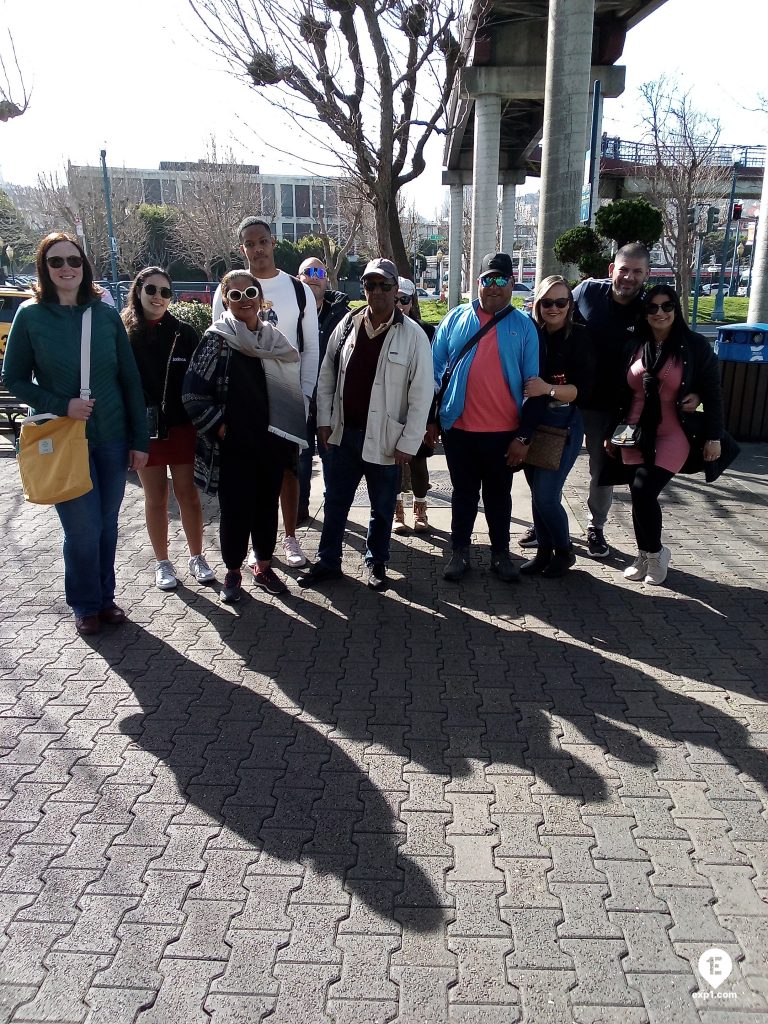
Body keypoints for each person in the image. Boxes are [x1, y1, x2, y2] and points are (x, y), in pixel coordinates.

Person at [2, 232, 149, 636]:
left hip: (112, 435)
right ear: (43, 268)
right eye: (56, 262)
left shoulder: (104, 315)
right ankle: (84, 603)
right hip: (63, 437)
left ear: (84, 267)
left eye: (74, 261)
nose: (66, 268)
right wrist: (60, 403)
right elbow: (12, 377)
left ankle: (105, 598)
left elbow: (129, 378)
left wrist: (140, 439)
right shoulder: (30, 316)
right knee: (82, 529)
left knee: (107, 523)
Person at [298, 258, 433, 591]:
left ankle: (377, 562)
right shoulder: (347, 324)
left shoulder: (413, 335)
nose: (378, 292)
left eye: (385, 286)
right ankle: (328, 562)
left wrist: (409, 442)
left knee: (382, 506)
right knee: (336, 504)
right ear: (364, 289)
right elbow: (327, 375)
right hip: (344, 436)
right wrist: (325, 422)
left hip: (387, 440)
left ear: (395, 289)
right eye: (370, 285)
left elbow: (421, 394)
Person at [183, 271, 306, 603]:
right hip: (233, 446)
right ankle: (233, 572)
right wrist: (222, 428)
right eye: (234, 296)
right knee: (236, 511)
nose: (244, 300)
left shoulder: (274, 339)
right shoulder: (216, 339)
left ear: (260, 296)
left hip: (271, 442)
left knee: (266, 507)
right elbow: (193, 394)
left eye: (249, 292)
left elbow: (290, 386)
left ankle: (264, 566)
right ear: (225, 301)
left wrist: (288, 432)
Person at [212, 218, 319, 569]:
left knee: (289, 471)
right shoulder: (229, 287)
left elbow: (311, 348)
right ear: (242, 248)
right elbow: (218, 342)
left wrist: (303, 396)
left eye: (262, 241)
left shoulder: (297, 288)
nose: (257, 249)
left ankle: (289, 537)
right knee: (247, 476)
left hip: (286, 395)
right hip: (244, 401)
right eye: (249, 243)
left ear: (273, 242)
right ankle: (247, 551)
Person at [429, 253, 539, 583]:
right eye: (486, 279)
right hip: (459, 428)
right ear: (477, 283)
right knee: (462, 494)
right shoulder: (455, 319)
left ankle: (500, 554)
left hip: (503, 433)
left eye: (501, 280)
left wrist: (524, 437)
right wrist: (431, 420)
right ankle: (459, 551)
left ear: (511, 284)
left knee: (498, 496)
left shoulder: (524, 326)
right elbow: (433, 373)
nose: (493, 286)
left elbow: (534, 387)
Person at [605, 285, 723, 585]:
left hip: (673, 432)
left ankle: (657, 554)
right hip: (634, 430)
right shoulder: (635, 344)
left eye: (667, 306)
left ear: (676, 309)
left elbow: (712, 392)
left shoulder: (693, 345)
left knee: (645, 490)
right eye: (652, 308)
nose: (660, 313)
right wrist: (610, 433)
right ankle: (644, 555)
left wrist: (713, 436)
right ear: (644, 313)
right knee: (637, 495)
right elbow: (620, 392)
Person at [121, 267, 214, 591]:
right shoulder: (124, 332)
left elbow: (201, 378)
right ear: (138, 290)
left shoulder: (183, 332)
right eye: (151, 290)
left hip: (181, 426)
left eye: (165, 292)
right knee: (155, 497)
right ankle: (162, 562)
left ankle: (197, 556)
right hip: (144, 429)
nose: (158, 297)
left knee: (187, 494)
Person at [571, 241, 651, 558]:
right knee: (548, 461)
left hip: (618, 409)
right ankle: (543, 518)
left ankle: (596, 527)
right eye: (624, 270)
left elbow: (681, 349)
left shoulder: (651, 309)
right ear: (611, 270)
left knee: (603, 470)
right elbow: (551, 314)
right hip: (571, 398)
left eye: (637, 272)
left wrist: (696, 391)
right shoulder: (587, 291)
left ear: (646, 275)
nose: (629, 277)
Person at [514, 276, 595, 578]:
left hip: (563, 425)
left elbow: (582, 390)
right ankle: (543, 551)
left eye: (561, 302)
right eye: (547, 302)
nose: (554, 308)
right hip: (531, 423)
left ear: (570, 305)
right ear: (537, 305)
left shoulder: (580, 338)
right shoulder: (533, 334)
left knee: (547, 495)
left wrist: (546, 388)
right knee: (537, 493)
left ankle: (564, 551)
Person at [296, 256, 350, 522]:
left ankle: (334, 512)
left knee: (332, 459)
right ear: (299, 278)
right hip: (300, 398)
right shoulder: (290, 311)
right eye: (308, 271)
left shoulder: (343, 313)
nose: (314, 276)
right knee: (302, 459)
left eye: (319, 271)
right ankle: (300, 508)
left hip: (331, 401)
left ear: (326, 278)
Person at [393, 277, 434, 534]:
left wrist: (431, 419)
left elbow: (434, 379)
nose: (398, 304)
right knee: (393, 465)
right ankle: (398, 511)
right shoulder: (376, 330)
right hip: (389, 411)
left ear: (412, 301)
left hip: (419, 409)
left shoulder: (427, 332)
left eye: (404, 299)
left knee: (418, 463)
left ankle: (420, 509)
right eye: (394, 298)